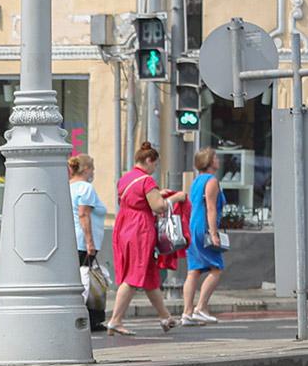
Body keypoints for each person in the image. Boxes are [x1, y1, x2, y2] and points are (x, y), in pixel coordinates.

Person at [105, 141, 186, 336]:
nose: (155, 169)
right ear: (149, 160)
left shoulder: (125, 178)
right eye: (155, 165)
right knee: (133, 276)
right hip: (140, 229)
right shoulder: (146, 180)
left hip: (124, 225)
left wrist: (158, 194)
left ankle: (165, 317)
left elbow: (136, 199)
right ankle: (115, 320)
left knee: (149, 276)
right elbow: (158, 207)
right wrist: (176, 198)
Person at [182, 147, 226, 326]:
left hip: (193, 227)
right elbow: (211, 207)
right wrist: (214, 233)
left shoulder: (196, 181)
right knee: (216, 268)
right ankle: (201, 307)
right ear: (209, 162)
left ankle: (187, 312)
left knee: (194, 271)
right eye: (215, 157)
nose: (218, 160)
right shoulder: (211, 181)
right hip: (203, 228)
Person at [68, 154, 107, 332]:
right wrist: (90, 242)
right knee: (87, 281)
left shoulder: (68, 187)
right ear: (85, 169)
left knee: (78, 279)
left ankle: (81, 317)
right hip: (82, 241)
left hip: (70, 239)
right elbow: (84, 214)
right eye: (92, 169)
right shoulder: (86, 188)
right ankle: (90, 319)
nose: (93, 172)